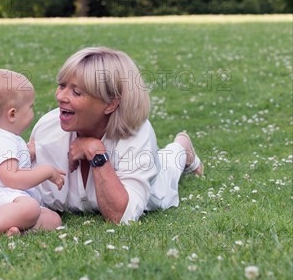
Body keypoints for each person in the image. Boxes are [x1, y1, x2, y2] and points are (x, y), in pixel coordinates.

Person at [30, 47, 204, 224]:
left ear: (111, 103)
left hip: (150, 181)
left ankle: (181, 148)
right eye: (61, 85)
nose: (60, 96)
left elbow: (121, 217)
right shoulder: (47, 128)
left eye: (76, 92)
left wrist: (95, 151)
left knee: (166, 170)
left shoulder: (137, 134)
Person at [0, 69, 66, 238]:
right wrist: (46, 171)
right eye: (30, 107)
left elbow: (11, 159)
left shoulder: (1, 136)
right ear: (12, 114)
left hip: (7, 205)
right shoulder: (0, 140)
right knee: (29, 208)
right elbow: (11, 178)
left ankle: (13, 231)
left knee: (52, 219)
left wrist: (28, 153)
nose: (33, 112)